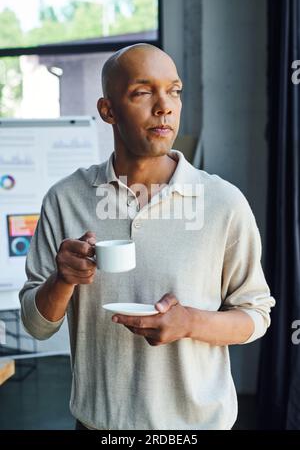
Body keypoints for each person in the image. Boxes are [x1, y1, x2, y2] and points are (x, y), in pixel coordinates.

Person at [19, 43, 275, 430]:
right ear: (108, 110)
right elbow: (38, 326)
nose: (165, 106)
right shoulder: (65, 198)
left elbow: (255, 316)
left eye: (174, 90)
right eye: (142, 92)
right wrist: (63, 280)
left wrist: (189, 322)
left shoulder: (223, 202)